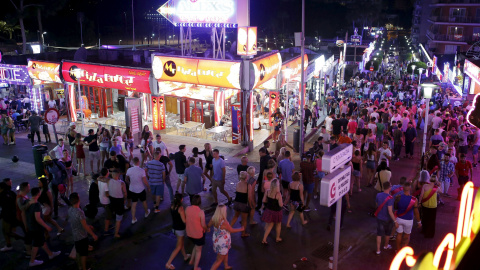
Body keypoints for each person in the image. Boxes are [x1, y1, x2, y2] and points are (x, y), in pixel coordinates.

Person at [26, 187, 61, 267]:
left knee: (41, 242)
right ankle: (32, 261)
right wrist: (46, 226)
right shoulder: (36, 204)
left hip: (31, 226)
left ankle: (50, 254)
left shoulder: (28, 202)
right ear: (38, 193)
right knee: (36, 244)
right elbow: (38, 218)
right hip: (36, 227)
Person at [68, 192, 98, 270]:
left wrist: (88, 226)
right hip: (82, 236)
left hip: (75, 235)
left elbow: (81, 223)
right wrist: (93, 234)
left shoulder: (70, 210)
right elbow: (84, 226)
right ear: (78, 200)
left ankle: (80, 266)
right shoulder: (80, 212)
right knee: (84, 254)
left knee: (78, 252)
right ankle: (84, 268)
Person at [208, 205, 244, 270]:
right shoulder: (223, 222)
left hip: (217, 240)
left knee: (225, 253)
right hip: (222, 243)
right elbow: (231, 230)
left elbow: (208, 225)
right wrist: (241, 229)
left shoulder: (214, 218)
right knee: (218, 260)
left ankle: (226, 266)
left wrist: (207, 228)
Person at [165, 194, 191, 269]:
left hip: (174, 228)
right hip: (180, 229)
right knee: (178, 247)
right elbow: (184, 220)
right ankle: (168, 263)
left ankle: (185, 256)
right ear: (181, 200)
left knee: (181, 243)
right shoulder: (180, 208)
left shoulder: (172, 206)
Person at [394, 182, 421, 252]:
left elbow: (395, 208)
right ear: (410, 189)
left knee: (399, 234)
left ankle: (397, 250)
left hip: (399, 218)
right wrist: (419, 221)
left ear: (403, 189)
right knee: (407, 235)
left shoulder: (398, 197)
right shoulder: (414, 200)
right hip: (408, 220)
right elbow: (416, 212)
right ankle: (403, 251)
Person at [186, 195, 208, 270]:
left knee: (196, 246)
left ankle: (191, 261)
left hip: (189, 233)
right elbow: (203, 225)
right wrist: (207, 229)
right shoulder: (201, 212)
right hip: (198, 235)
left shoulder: (187, 209)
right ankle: (195, 267)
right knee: (199, 250)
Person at [125, 157, 151, 224]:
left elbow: (126, 179)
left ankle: (133, 219)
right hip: (141, 189)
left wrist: (129, 184)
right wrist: (148, 187)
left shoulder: (129, 170)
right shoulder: (141, 170)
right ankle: (146, 212)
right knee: (144, 201)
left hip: (132, 189)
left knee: (134, 204)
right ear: (138, 162)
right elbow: (145, 181)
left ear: (133, 162)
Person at [375, 182, 396, 255]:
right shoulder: (390, 198)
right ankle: (386, 246)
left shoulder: (378, 195)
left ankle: (378, 250)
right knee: (387, 233)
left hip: (379, 217)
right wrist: (395, 221)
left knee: (379, 234)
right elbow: (390, 211)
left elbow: (377, 205)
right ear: (389, 188)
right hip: (388, 219)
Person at [261, 179, 283, 244]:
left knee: (268, 224)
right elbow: (281, 204)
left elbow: (264, 200)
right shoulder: (278, 194)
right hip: (276, 212)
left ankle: (266, 235)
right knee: (277, 224)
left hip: (268, 210)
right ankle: (274, 238)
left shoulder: (267, 191)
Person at [230, 171, 251, 237]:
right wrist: (250, 205)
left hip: (236, 203)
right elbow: (249, 197)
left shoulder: (237, 184)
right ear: (246, 177)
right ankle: (243, 233)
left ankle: (228, 229)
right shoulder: (248, 185)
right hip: (244, 204)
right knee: (244, 220)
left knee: (235, 216)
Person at [419, 174, 440, 239]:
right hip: (433, 206)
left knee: (424, 218)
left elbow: (421, 195)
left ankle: (424, 230)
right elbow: (442, 191)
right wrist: (439, 184)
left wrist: (419, 202)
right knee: (431, 220)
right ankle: (430, 234)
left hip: (425, 204)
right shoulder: (436, 188)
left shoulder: (425, 186)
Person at [108, 169, 127, 238]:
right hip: (119, 201)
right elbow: (125, 193)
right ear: (118, 175)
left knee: (112, 214)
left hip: (112, 200)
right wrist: (125, 200)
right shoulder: (122, 183)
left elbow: (100, 179)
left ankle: (108, 228)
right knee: (118, 218)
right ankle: (116, 233)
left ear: (112, 175)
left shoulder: (109, 181)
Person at [0, 181, 17, 252]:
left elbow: (5, 208)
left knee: (7, 231)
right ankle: (8, 244)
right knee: (6, 230)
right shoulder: (10, 193)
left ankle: (25, 239)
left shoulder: (2, 196)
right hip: (12, 215)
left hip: (7, 216)